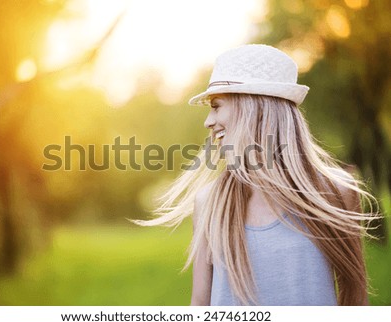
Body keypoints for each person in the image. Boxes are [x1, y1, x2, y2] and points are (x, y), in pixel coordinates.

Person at [133, 44, 380, 306]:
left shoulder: (336, 191)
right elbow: (200, 305)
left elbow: (355, 298)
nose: (208, 121)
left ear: (255, 108)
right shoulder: (209, 203)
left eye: (216, 106)